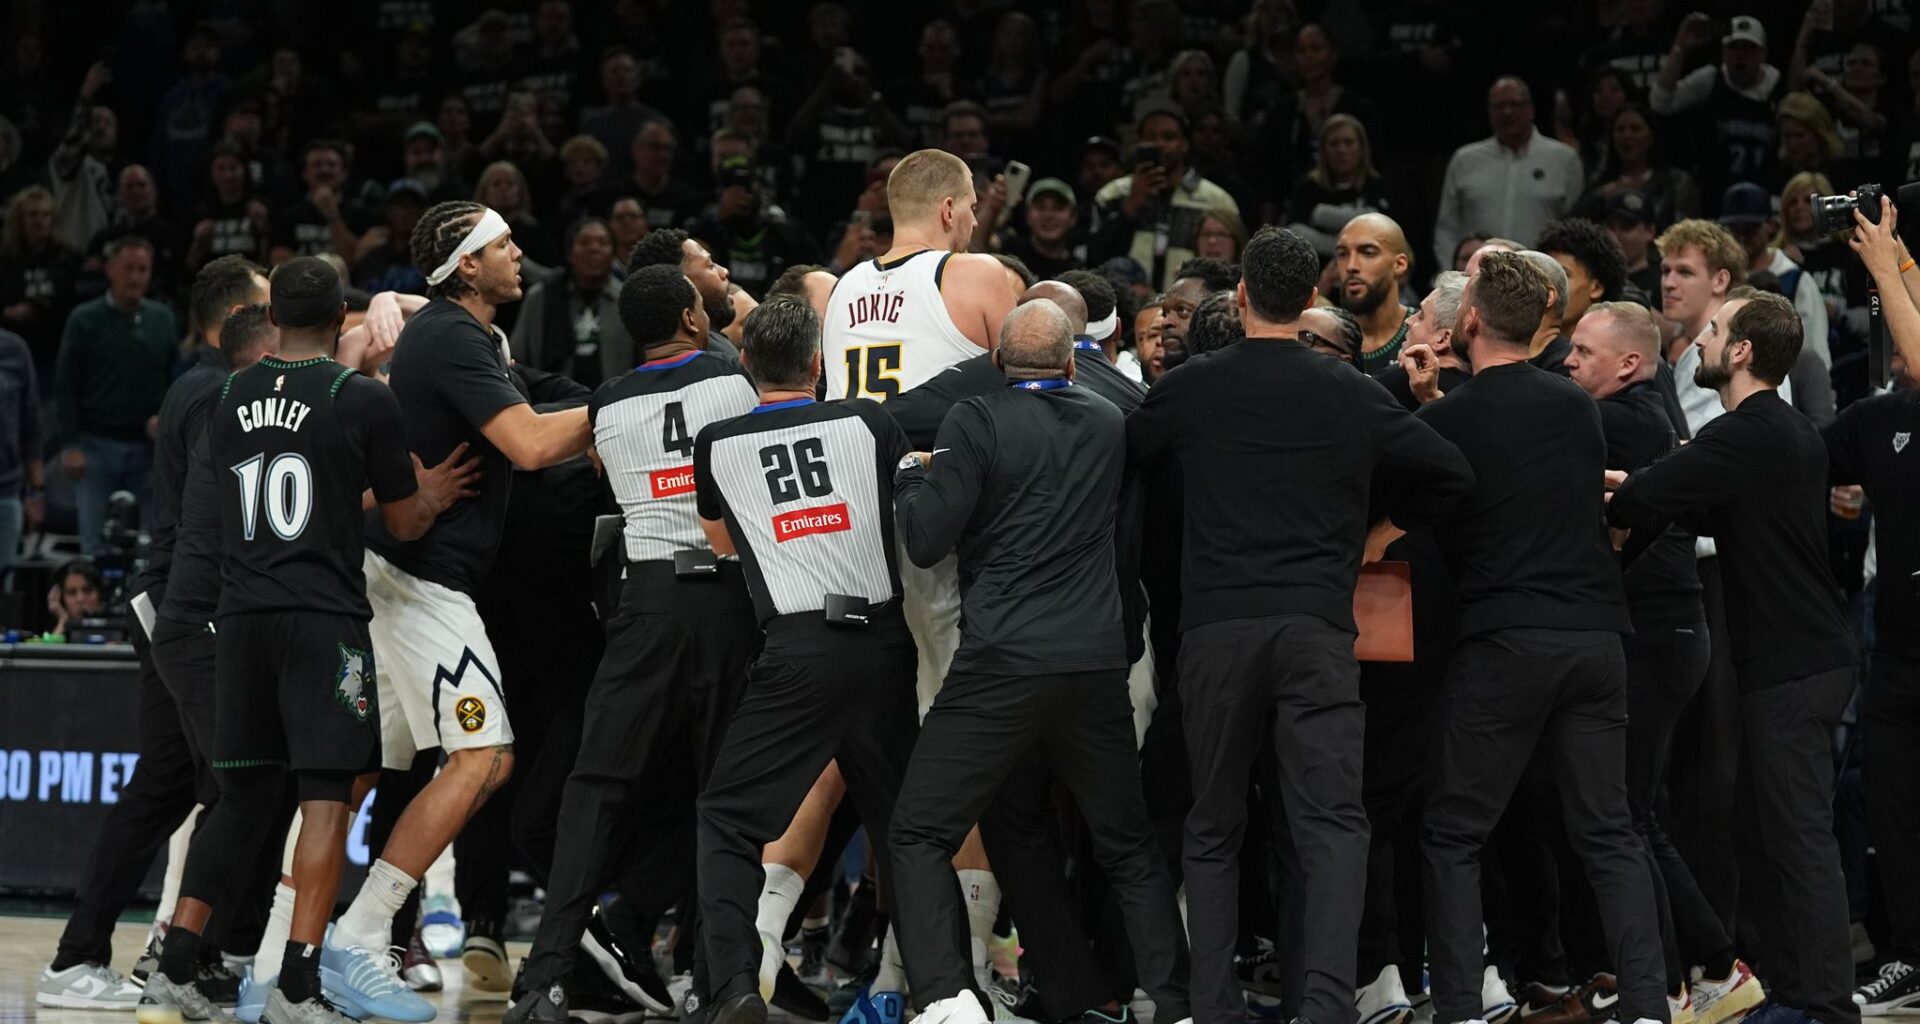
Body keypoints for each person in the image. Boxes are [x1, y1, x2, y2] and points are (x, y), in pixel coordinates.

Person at [1129, 226, 1475, 1024]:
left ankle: (1213, 1008)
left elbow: (1131, 455)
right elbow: (1450, 474)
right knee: (1331, 825)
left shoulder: (1192, 386)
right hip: (1318, 632)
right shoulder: (1349, 391)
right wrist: (1379, 534)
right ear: (1312, 298)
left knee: (1213, 825)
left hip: (1216, 631)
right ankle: (1323, 1006)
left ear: (1242, 295)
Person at [134, 256, 464, 1024]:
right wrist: (424, 493)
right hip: (322, 621)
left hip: (241, 621)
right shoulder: (359, 399)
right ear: (341, 318)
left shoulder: (227, 396)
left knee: (240, 799)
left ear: (272, 315)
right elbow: (408, 520)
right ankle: (295, 987)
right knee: (323, 803)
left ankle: (174, 963)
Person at [891, 299, 1191, 1024]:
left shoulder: (978, 418)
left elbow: (928, 541)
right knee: (1127, 844)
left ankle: (943, 1001)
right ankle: (1181, 1006)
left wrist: (910, 477)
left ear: (996, 361)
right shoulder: (1108, 421)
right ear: (1069, 362)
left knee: (918, 831)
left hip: (1002, 664)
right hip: (1092, 667)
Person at [330, 201, 593, 1001]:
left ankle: (285, 944)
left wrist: (390, 299)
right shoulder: (451, 336)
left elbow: (416, 311)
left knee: (362, 772)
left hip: (406, 581)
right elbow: (534, 445)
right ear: (468, 267)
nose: (522, 253)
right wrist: (642, 400)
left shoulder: (461, 332)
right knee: (486, 757)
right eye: (504, 244)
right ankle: (360, 937)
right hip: (423, 584)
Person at [1412, 251, 1666, 1024]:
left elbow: (1431, 523)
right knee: (1610, 832)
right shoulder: (1576, 406)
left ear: (1469, 320)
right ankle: (1650, 1008)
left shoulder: (1446, 419)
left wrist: (1426, 404)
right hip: (1595, 639)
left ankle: (1458, 1007)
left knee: (1454, 831)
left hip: (1506, 640)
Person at [504, 263, 761, 1024]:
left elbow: (592, 464)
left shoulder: (606, 401)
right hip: (727, 599)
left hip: (643, 601)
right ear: (690, 319)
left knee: (595, 789)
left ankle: (545, 981)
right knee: (723, 795)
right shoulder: (733, 381)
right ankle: (727, 985)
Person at [1608, 291, 1859, 1024]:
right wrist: (1644, 488)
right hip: (1795, 658)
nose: (1701, 341)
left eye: (1715, 332)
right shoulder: (1774, 434)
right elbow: (1702, 505)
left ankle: (1826, 1006)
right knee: (1764, 831)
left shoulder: (1745, 431)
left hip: (1793, 663)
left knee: (1798, 837)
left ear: (1743, 351)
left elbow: (1649, 498)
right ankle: (1794, 988)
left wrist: (1629, 488)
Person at [689, 298, 921, 1024]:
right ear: (818, 365)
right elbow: (903, 511)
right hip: (884, 646)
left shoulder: (717, 441)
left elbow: (722, 543)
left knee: (728, 819)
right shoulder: (867, 420)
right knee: (907, 828)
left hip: (795, 650)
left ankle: (729, 985)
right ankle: (944, 987)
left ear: (748, 366)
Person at [1562, 302, 1768, 1024]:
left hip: (1656, 632)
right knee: (1630, 809)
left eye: (1583, 352)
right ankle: (1692, 969)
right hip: (1663, 630)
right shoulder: (1639, 413)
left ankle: (1707, 966)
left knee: (1626, 812)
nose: (1567, 363)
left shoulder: (1625, 419)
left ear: (1628, 363)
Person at [1830, 200, 1920, 1015]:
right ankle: (1909, 954)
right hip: (1897, 641)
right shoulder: (1882, 415)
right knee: (1892, 803)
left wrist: (1887, 267)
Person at [823, 149, 1013, 401]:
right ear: (948, 211)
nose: (975, 222)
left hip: (851, 439)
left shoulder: (841, 286)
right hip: (935, 440)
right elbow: (1024, 383)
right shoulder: (977, 273)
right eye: (972, 207)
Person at [54, 236, 173, 554]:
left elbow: (177, 380)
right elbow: (65, 386)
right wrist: (70, 445)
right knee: (94, 545)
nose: (135, 277)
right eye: (128, 268)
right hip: (95, 447)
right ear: (109, 270)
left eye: (143, 269)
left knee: (150, 547)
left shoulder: (163, 318)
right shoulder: (83, 319)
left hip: (148, 450)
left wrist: (166, 419)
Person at [1433, 78, 1584, 272]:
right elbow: (1447, 228)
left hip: (1540, 278)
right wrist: (1453, 276)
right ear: (1489, 112)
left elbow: (1574, 229)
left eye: (1515, 104)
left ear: (1531, 109)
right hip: (1477, 278)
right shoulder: (1465, 160)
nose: (1507, 112)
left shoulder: (1564, 159)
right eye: (1499, 106)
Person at [1092, 105, 1242, 291]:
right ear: (1139, 143)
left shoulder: (1216, 200)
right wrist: (1130, 206)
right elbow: (1095, 258)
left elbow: (1232, 264)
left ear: (1185, 144)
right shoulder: (1111, 195)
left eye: (1168, 137)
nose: (1159, 144)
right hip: (1127, 302)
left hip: (1192, 306)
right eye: (1150, 137)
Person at [1651, 14, 1786, 213]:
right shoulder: (1710, 79)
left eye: (1748, 48)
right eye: (1734, 47)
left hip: (1765, 197)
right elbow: (1661, 103)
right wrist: (1680, 48)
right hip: (1714, 198)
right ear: (1723, 52)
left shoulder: (1777, 86)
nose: (1740, 55)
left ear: (1762, 54)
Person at [1717, 182, 1831, 368]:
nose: (1742, 236)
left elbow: (1815, 354)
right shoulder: (1719, 279)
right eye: (1734, 228)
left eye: (1750, 227)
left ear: (1770, 225)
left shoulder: (1796, 280)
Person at [512, 218, 630, 387]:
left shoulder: (627, 300)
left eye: (603, 243)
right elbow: (518, 359)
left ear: (613, 254)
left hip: (617, 404)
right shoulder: (541, 297)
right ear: (569, 253)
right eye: (584, 242)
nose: (594, 249)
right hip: (554, 406)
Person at [1576, 104, 1700, 231]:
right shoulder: (1599, 187)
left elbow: (1685, 236)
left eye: (1635, 129)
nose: (1627, 136)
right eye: (1620, 130)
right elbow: (1574, 226)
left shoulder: (1676, 182)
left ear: (1651, 137)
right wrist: (1600, 199)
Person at [1286, 114, 1393, 261]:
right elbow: (1295, 232)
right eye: (1333, 144)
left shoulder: (1376, 185)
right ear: (1323, 151)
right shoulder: (1308, 187)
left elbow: (1380, 225)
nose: (1341, 150)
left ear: (1362, 148)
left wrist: (1321, 214)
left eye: (1348, 142)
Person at [1332, 213, 1415, 377]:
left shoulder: (1426, 333)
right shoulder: (1324, 338)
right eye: (1343, 254)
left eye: (1368, 253)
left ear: (1399, 264)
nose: (1351, 266)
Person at [1536, 218, 1633, 330]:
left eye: (1562, 274)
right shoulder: (1520, 341)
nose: (1547, 285)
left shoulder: (1612, 346)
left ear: (1596, 288)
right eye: (1543, 272)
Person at [0, 322, 38, 574]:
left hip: (6, 489)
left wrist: (37, 491)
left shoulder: (14, 349)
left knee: (5, 587)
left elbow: (31, 421)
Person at [1000, 178, 1083, 282]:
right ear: (1027, 216)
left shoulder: (1079, 272)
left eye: (1057, 208)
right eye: (1040, 207)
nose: (1048, 215)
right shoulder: (1008, 254)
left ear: (1073, 217)